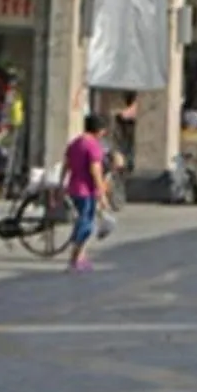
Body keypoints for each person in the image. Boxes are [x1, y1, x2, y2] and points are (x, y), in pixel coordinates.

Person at [62, 113, 110, 274]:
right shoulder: (93, 145)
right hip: (86, 189)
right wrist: (102, 192)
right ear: (99, 130)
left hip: (73, 187)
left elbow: (66, 165)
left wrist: (61, 183)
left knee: (83, 220)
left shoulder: (75, 143)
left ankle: (81, 257)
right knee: (86, 224)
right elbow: (95, 170)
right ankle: (75, 258)